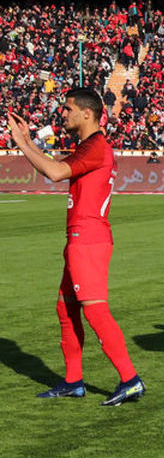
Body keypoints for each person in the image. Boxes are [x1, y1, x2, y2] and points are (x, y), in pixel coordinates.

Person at [7, 90, 146, 405]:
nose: (63, 114)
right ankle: (73, 381)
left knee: (94, 309)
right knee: (65, 307)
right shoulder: (89, 147)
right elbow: (57, 164)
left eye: (68, 109)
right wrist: (28, 141)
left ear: (87, 113)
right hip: (80, 237)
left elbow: (55, 173)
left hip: (90, 239)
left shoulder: (97, 147)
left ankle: (131, 379)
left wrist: (21, 145)